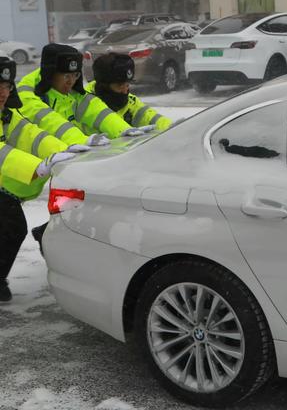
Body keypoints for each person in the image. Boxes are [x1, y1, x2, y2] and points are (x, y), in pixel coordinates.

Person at [0, 57, 77, 302]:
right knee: (12, 225)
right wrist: (37, 167)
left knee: (10, 225)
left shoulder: (7, 114)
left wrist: (67, 150)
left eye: (6, 86)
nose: (3, 92)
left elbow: (31, 134)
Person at [17, 43, 146, 145]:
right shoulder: (27, 94)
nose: (71, 82)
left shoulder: (72, 92)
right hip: (23, 174)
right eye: (66, 76)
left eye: (75, 75)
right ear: (50, 73)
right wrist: (81, 140)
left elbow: (97, 110)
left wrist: (123, 129)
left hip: (55, 169)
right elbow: (49, 121)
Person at [86, 53, 172, 131]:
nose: (125, 91)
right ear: (103, 85)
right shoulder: (83, 103)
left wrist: (170, 127)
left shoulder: (130, 102)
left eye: (127, 85)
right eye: (120, 86)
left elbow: (149, 116)